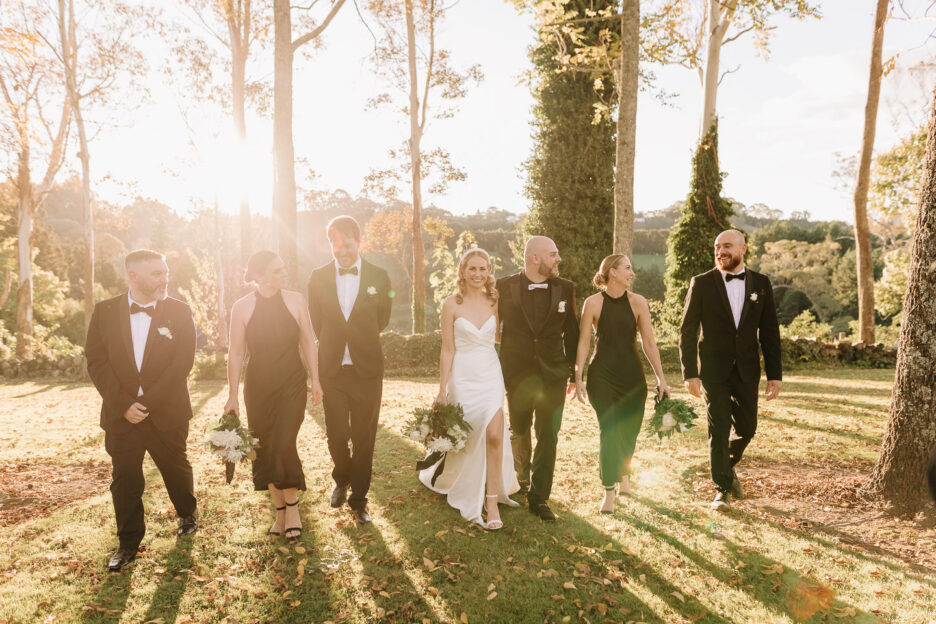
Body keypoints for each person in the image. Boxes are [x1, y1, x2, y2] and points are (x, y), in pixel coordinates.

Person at [85, 249, 198, 572]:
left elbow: (182, 363)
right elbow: (97, 361)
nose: (164, 279)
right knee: (125, 479)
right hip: (121, 415)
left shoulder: (179, 311)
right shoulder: (105, 311)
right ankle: (128, 542)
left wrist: (146, 403)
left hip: (166, 410)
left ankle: (187, 513)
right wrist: (122, 406)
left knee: (175, 467)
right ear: (133, 276)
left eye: (165, 273)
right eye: (156, 274)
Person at [679, 229, 782, 511]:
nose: (720, 251)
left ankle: (726, 466)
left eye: (726, 246)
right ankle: (722, 488)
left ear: (743, 249)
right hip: (713, 370)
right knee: (719, 427)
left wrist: (775, 374)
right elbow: (687, 330)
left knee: (748, 429)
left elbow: (770, 331)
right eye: (716, 247)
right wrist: (690, 373)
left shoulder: (761, 283)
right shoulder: (701, 283)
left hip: (748, 368)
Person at [225, 251, 323, 540]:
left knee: (283, 443)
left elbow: (308, 340)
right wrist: (232, 395)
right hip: (257, 387)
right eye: (277, 270)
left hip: (292, 383)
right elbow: (236, 353)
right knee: (264, 447)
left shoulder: (296, 300)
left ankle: (292, 508)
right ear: (259, 275)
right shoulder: (242, 307)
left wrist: (316, 379)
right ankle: (279, 511)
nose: (284, 274)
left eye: (283, 269)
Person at [420, 249, 520, 529]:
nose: (478, 274)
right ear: (462, 271)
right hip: (462, 376)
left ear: (489, 271)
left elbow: (500, 336)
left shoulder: (494, 300)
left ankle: (490, 501)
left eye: (483, 269)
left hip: (490, 372)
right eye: (472, 269)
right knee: (468, 436)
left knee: (493, 434)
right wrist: (442, 389)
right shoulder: (451, 304)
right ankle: (460, 481)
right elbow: (447, 349)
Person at [307, 216, 392, 524]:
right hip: (332, 369)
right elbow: (316, 321)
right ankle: (342, 477)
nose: (342, 250)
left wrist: (358, 337)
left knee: (364, 435)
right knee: (337, 433)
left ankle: (359, 499)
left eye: (348, 243)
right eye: (336, 244)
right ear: (331, 244)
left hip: (367, 369)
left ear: (360, 242)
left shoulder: (380, 276)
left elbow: (382, 318)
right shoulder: (317, 277)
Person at [574, 255, 669, 514]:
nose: (632, 273)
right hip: (601, 375)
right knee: (609, 429)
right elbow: (583, 342)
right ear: (612, 272)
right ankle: (608, 491)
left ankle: (624, 473)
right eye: (627, 268)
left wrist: (661, 377)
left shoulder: (638, 303)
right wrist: (578, 376)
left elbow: (649, 342)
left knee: (629, 431)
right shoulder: (592, 303)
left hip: (632, 376)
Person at [496, 236, 579, 521]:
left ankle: (540, 497)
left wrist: (574, 372)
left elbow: (572, 331)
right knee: (519, 428)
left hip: (553, 373)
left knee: (548, 434)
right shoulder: (503, 286)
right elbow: (491, 324)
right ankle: (521, 477)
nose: (558, 259)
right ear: (534, 257)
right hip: (516, 372)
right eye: (553, 254)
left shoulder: (565, 288)